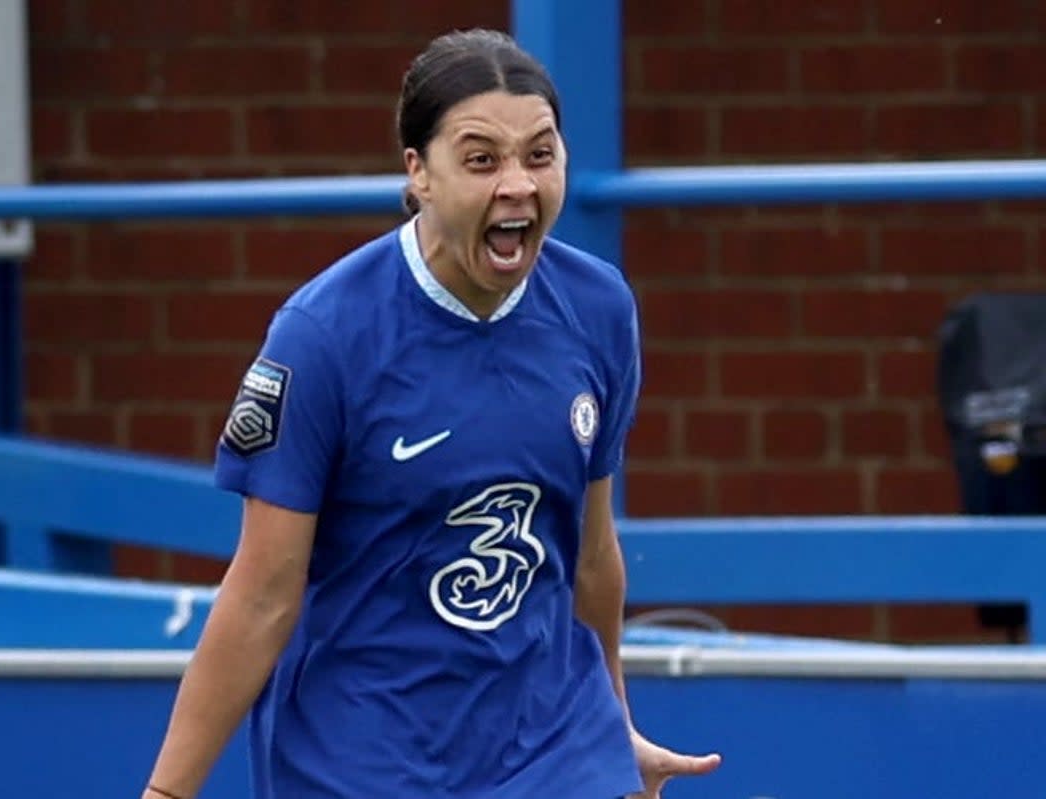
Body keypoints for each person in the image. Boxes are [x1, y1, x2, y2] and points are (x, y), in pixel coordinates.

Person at [141, 28, 721, 799]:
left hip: (548, 752)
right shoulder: (322, 336)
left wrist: (613, 727)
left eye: (540, 155)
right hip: (363, 759)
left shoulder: (599, 308)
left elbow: (591, 553)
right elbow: (261, 593)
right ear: (418, 173)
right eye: (482, 160)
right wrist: (168, 792)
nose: (517, 183)